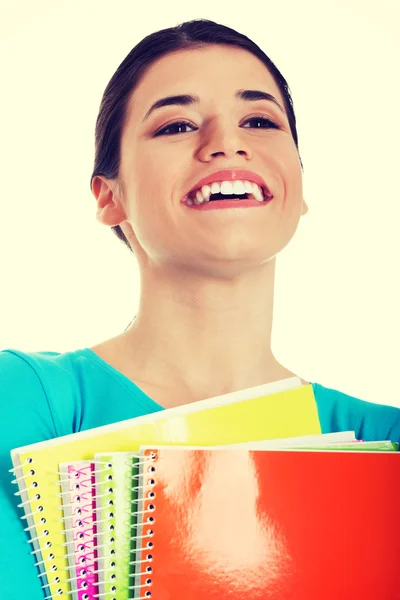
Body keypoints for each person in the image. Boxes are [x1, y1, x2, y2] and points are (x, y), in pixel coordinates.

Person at [1, 18, 399, 599]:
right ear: (110, 196)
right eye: (178, 124)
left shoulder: (384, 440)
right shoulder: (24, 399)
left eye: (260, 121)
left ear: (300, 186)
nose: (227, 143)